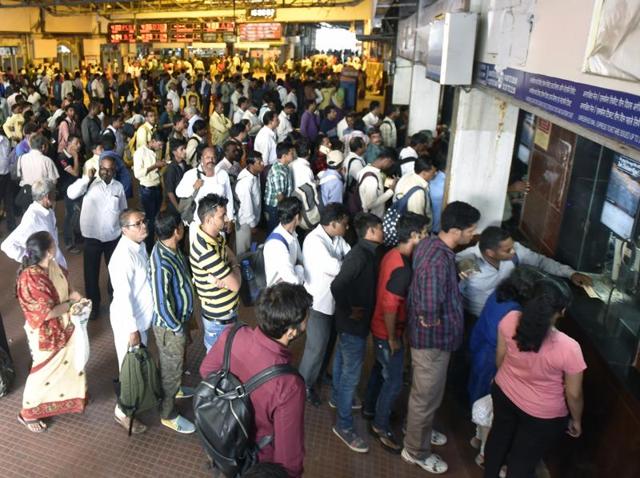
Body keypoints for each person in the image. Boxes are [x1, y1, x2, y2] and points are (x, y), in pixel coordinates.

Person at [199, 283, 312, 478]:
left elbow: (206, 371)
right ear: (291, 331)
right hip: (254, 462)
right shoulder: (289, 385)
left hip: (222, 442)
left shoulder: (231, 335)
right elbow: (288, 461)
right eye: (305, 318)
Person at [401, 201, 480, 474]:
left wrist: (455, 278)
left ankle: (418, 431)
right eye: (471, 230)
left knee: (425, 395)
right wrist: (431, 319)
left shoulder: (432, 246)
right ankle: (415, 450)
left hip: (431, 340)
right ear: (456, 230)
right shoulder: (438, 258)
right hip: (432, 342)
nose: (473, 235)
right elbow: (430, 301)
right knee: (425, 397)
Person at [483, 279, 586, 478]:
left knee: (498, 438)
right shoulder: (569, 347)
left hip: (504, 392)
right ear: (562, 311)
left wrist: (504, 380)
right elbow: (573, 394)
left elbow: (500, 359)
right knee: (523, 459)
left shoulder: (511, 319)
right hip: (541, 415)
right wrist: (576, 420)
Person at [364, 213, 429, 452]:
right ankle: (380, 426)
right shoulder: (403, 268)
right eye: (424, 233)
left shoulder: (391, 254)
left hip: (379, 327)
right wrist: (393, 338)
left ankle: (370, 408)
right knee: (393, 381)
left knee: (379, 371)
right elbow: (391, 305)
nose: (426, 237)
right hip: (386, 331)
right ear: (413, 235)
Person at [467, 266, 542, 467]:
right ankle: (484, 453)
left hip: (480, 349)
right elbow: (506, 344)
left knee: (480, 399)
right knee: (491, 408)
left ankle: (477, 438)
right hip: (491, 358)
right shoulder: (514, 311)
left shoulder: (499, 294)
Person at [16, 231, 87, 433]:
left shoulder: (51, 265)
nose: (57, 245)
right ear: (48, 252)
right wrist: (72, 302)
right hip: (45, 334)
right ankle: (28, 412)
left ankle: (62, 398)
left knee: (69, 363)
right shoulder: (31, 279)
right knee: (43, 371)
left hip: (64, 324)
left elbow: (66, 282)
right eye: (54, 243)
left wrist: (76, 296)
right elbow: (46, 314)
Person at [330, 212, 384, 453]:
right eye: (380, 228)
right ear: (371, 232)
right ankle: (343, 425)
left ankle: (337, 397)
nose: (384, 232)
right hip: (352, 323)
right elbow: (337, 285)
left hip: (353, 324)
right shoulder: (360, 255)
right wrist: (348, 309)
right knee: (351, 373)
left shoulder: (369, 253)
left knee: (343, 362)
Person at [456, 226, 593, 317]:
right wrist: (460, 267)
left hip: (506, 313)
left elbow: (541, 262)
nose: (513, 251)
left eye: (512, 246)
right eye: (507, 250)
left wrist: (571, 273)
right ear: (490, 253)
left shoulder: (515, 251)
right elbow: (458, 269)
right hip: (476, 316)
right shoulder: (467, 260)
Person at [298, 203, 351, 407]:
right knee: (316, 348)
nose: (346, 228)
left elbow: (349, 254)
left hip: (332, 300)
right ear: (333, 223)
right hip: (318, 302)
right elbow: (337, 266)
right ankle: (304, 385)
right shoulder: (314, 241)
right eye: (344, 224)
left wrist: (346, 262)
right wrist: (345, 263)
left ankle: (319, 373)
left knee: (328, 342)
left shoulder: (335, 237)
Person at [149, 211, 196, 434]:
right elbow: (161, 304)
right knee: (171, 369)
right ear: (176, 231)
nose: (183, 229)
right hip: (170, 327)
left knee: (174, 364)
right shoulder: (161, 263)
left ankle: (175, 389)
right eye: (182, 226)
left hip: (180, 320)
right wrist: (177, 328)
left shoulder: (170, 248)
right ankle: (168, 414)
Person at [109, 208, 154, 434]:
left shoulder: (139, 245)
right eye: (137, 224)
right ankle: (122, 413)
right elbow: (123, 297)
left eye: (144, 221)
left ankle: (137, 401)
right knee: (128, 370)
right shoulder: (122, 258)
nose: (143, 226)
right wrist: (132, 329)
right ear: (124, 230)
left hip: (142, 319)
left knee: (139, 365)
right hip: (129, 323)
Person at [66, 155, 126, 320]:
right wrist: (86, 178)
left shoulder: (118, 187)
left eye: (110, 170)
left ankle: (116, 300)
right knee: (91, 275)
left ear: (115, 171)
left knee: (115, 272)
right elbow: (71, 194)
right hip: (92, 238)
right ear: (99, 168)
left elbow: (123, 211)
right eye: (103, 169)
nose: (106, 173)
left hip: (113, 237)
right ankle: (95, 307)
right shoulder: (89, 183)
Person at [190, 194, 241, 351]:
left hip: (227, 312)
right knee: (217, 363)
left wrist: (230, 266)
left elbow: (227, 251)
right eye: (222, 215)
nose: (226, 219)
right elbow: (236, 285)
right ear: (208, 220)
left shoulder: (214, 236)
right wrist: (236, 266)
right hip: (219, 318)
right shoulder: (205, 251)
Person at [2, 179, 67, 269]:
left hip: (56, 265)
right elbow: (7, 245)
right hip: (46, 270)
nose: (56, 195)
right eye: (54, 193)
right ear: (47, 197)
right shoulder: (32, 218)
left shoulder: (48, 211)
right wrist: (33, 261)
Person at [175, 146, 235, 244]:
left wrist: (231, 218)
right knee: (199, 255)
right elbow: (178, 192)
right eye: (207, 157)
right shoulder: (191, 174)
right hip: (198, 224)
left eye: (213, 157)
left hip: (218, 223)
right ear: (201, 159)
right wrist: (193, 187)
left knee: (219, 251)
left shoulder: (222, 174)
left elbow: (229, 197)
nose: (210, 160)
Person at [133, 131, 165, 251]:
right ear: (152, 141)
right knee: (150, 221)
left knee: (156, 218)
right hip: (147, 190)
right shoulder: (140, 153)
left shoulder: (154, 151)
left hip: (157, 188)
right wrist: (154, 166)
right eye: (159, 145)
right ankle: (148, 249)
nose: (160, 147)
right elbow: (137, 173)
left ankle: (154, 247)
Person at [264, 197, 305, 286]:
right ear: (297, 217)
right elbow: (294, 282)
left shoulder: (291, 233)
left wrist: (298, 266)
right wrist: (299, 267)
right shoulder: (277, 246)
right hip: (280, 296)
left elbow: (300, 259)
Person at [55, 134, 82, 253]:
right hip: (68, 191)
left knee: (77, 213)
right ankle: (68, 242)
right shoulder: (62, 158)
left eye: (79, 143)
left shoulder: (76, 156)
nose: (79, 146)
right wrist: (76, 157)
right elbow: (75, 173)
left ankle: (77, 237)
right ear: (68, 144)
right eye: (76, 143)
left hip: (77, 189)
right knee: (70, 215)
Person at [234, 151, 264, 256]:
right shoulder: (245, 183)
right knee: (243, 250)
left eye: (262, 161)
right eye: (259, 162)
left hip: (252, 219)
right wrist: (252, 224)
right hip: (245, 221)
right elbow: (246, 205)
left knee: (249, 247)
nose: (262, 164)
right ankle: (242, 269)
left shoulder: (255, 174)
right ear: (251, 165)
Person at [394, 155, 437, 226]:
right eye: (433, 173)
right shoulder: (417, 193)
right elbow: (417, 220)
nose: (435, 174)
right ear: (424, 172)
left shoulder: (406, 176)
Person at [264, 142, 295, 233]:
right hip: (274, 206)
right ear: (284, 156)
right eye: (291, 153)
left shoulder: (284, 166)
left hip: (279, 204)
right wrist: (286, 210)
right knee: (274, 230)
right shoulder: (279, 173)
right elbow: (280, 196)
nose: (293, 155)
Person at [357, 149, 396, 218]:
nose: (389, 167)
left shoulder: (366, 169)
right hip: (373, 217)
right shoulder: (371, 178)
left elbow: (379, 185)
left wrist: (391, 183)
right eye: (391, 164)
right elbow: (369, 204)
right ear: (387, 160)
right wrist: (391, 191)